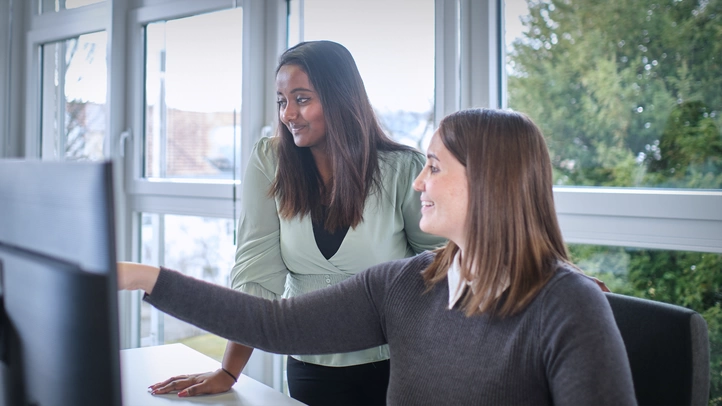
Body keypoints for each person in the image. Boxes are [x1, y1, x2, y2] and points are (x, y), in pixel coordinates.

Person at [120, 108, 637, 405]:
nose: (418, 182)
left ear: (490, 182)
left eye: (434, 167)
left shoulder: (567, 305)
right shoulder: (406, 286)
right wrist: (144, 277)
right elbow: (274, 324)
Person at [146, 40, 445, 405]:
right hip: (309, 365)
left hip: (395, 366)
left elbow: (439, 270)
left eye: (302, 99)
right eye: (282, 101)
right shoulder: (269, 161)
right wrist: (228, 371)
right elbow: (257, 275)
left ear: (340, 99)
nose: (288, 114)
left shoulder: (402, 169)